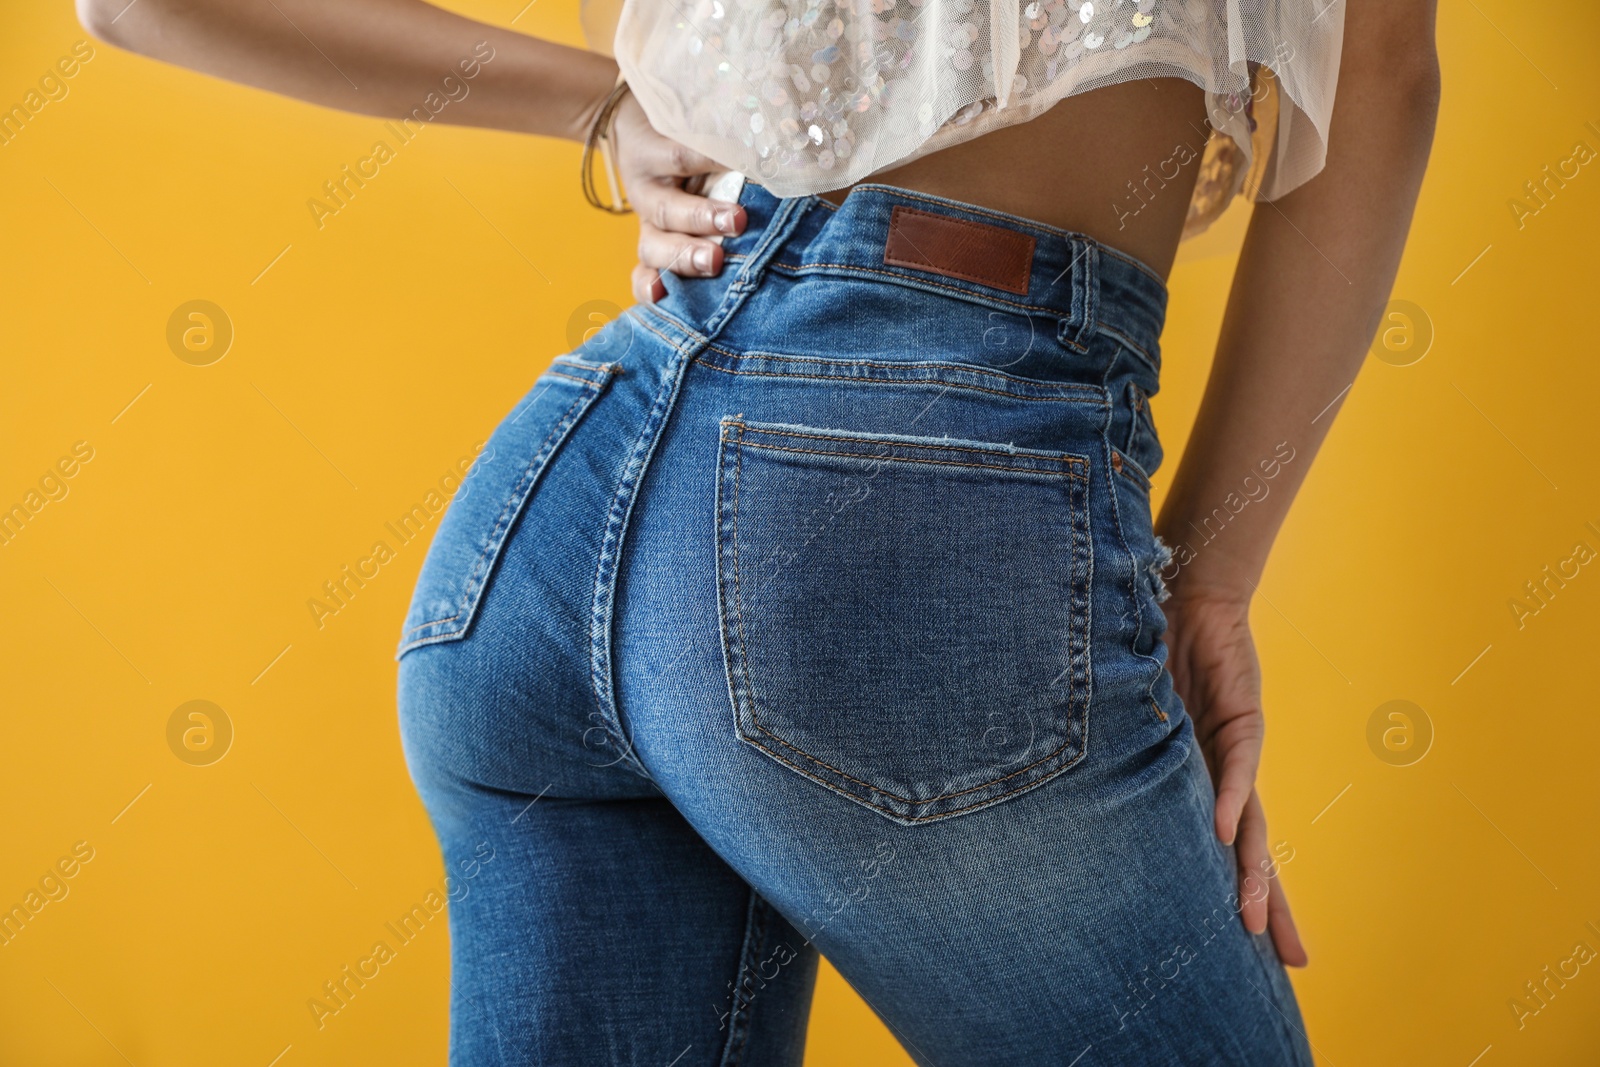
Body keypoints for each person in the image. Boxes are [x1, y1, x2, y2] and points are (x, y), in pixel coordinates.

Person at [79, 0, 1439, 1062]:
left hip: (563, 493)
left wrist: (604, 110)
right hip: (912, 486)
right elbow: (1382, 69)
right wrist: (1207, 578)